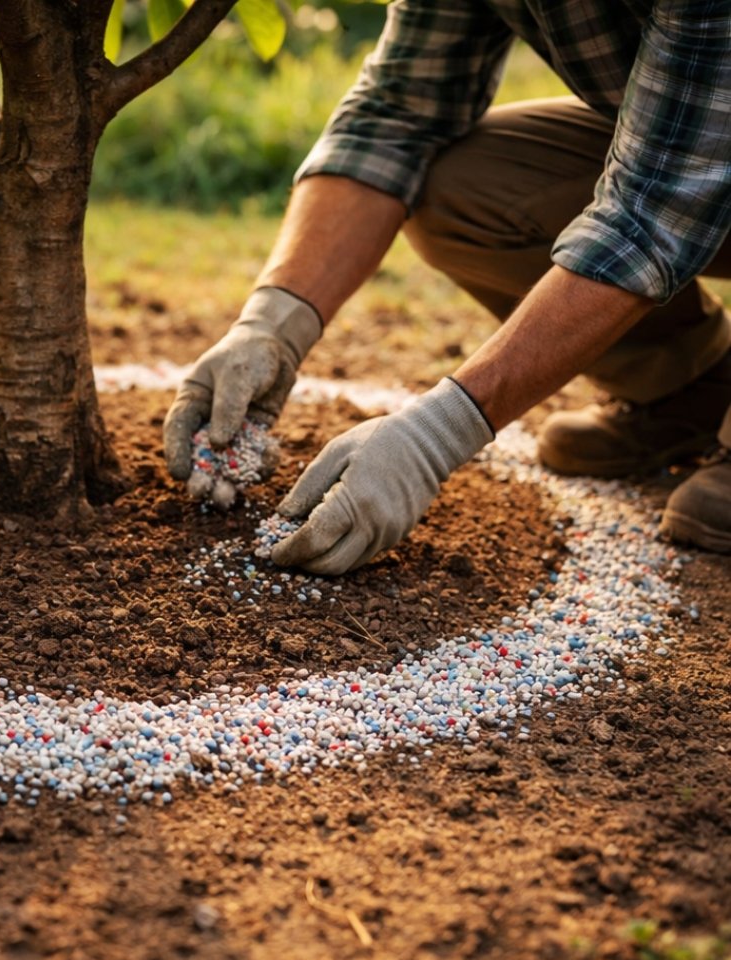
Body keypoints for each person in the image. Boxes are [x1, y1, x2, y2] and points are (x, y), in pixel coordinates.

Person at [163, 0, 731, 573]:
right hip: (696, 141)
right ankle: (690, 384)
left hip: (699, 161)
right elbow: (395, 116)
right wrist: (272, 325)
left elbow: (656, 208)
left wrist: (436, 434)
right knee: (461, 182)